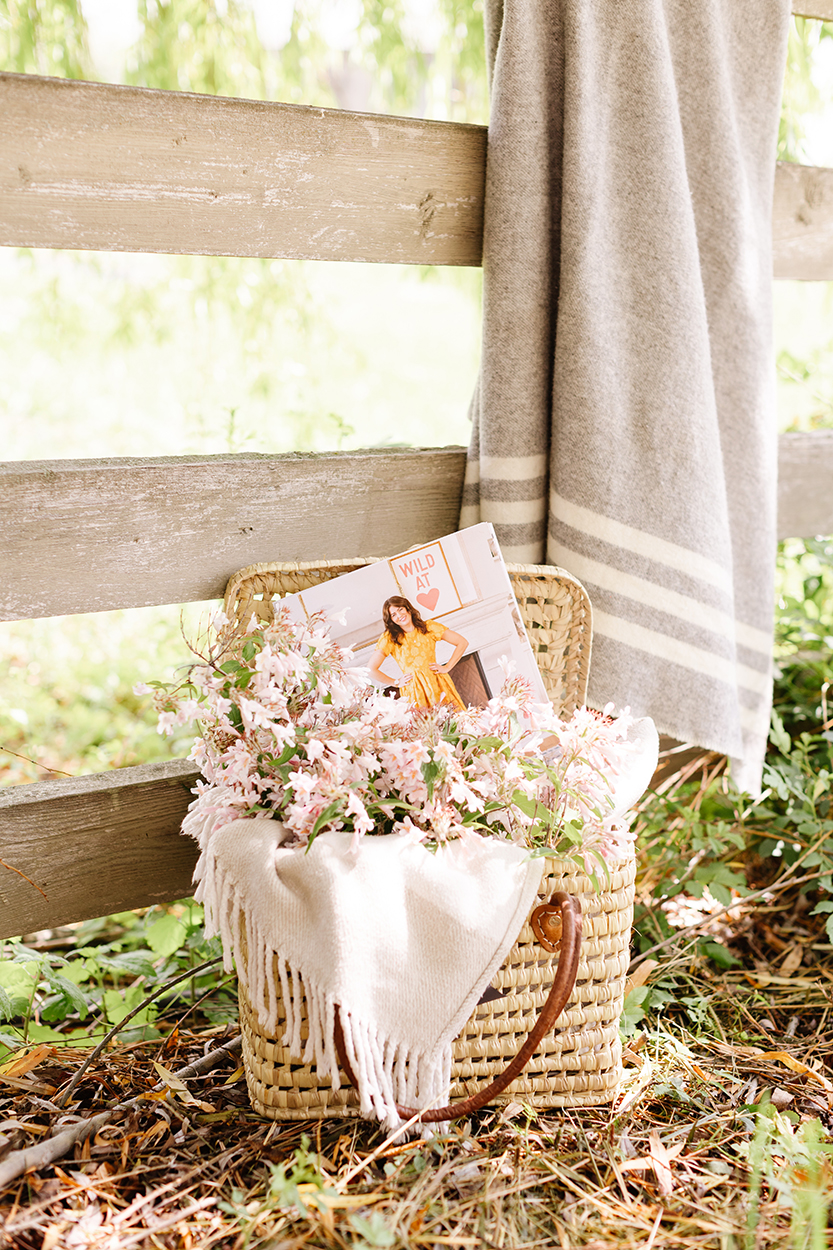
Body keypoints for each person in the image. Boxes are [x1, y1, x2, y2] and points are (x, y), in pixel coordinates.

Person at [367, 596, 468, 711]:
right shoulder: (390, 638)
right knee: (427, 726)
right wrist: (395, 682)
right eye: (393, 615)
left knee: (453, 720)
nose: (399, 615)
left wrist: (447, 667)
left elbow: (462, 642)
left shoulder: (429, 627)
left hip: (437, 682)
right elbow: (371, 669)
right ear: (391, 620)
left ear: (408, 608)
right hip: (414, 690)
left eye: (400, 609)